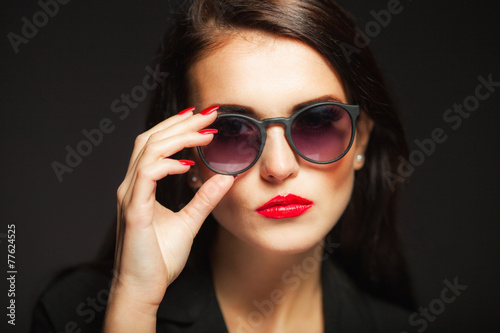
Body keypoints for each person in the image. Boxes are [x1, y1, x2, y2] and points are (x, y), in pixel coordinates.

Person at [32, 0, 432, 332]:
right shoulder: (70, 312)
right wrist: (135, 300)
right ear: (186, 158)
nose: (279, 167)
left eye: (316, 122)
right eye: (232, 131)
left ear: (360, 140)